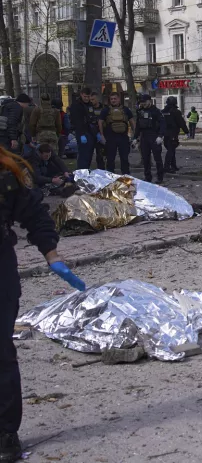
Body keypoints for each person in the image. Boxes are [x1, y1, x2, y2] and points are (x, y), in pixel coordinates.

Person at [1, 144, 87, 463]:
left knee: (0, 351)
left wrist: (52, 255)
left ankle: (6, 433)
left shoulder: (6, 172)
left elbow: (35, 214)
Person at [98, 91, 134, 175]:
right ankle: (111, 177)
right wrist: (102, 135)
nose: (113, 100)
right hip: (110, 138)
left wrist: (134, 135)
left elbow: (132, 121)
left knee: (124, 158)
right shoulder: (106, 110)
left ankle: (126, 176)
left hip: (123, 137)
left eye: (115, 99)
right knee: (110, 159)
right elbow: (100, 122)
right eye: (111, 99)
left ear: (119, 99)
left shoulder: (125, 109)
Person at [133, 94, 165, 184]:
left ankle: (160, 177)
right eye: (141, 102)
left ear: (149, 101)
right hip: (144, 136)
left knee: (157, 158)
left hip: (154, 136)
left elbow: (163, 124)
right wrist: (135, 137)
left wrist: (160, 136)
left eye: (144, 102)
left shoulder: (156, 111)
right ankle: (148, 177)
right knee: (145, 158)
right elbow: (138, 126)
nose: (143, 104)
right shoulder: (140, 111)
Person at [69, 88, 94, 169]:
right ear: (81, 95)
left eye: (88, 96)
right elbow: (77, 121)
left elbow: (91, 119)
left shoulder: (90, 105)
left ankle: (86, 171)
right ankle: (82, 172)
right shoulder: (76, 105)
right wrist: (81, 134)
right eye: (85, 96)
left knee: (89, 154)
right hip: (81, 132)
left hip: (90, 131)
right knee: (83, 155)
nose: (86, 98)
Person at [162, 97, 185, 174]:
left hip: (165, 134)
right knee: (171, 150)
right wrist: (187, 131)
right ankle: (166, 167)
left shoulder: (163, 112)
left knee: (171, 150)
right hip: (173, 133)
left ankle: (173, 166)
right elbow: (181, 122)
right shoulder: (176, 112)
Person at [88, 94, 106, 170]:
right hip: (90, 134)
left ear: (97, 99)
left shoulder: (104, 108)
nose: (91, 101)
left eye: (93, 99)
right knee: (88, 155)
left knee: (101, 156)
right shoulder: (88, 108)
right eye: (91, 99)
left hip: (101, 134)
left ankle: (101, 171)